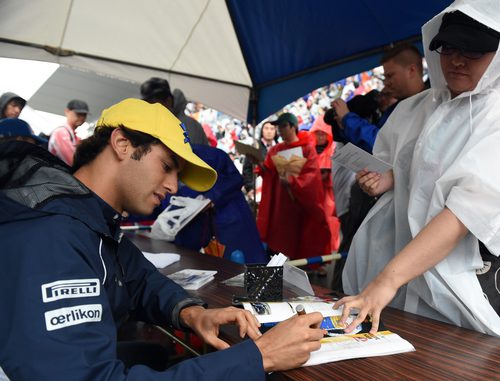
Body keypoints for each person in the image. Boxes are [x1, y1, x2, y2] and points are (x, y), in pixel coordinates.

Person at [0, 98, 324, 380]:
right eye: (167, 166)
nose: (172, 186)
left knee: (152, 356)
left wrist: (193, 313)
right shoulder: (50, 237)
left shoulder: (89, 220)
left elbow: (139, 279)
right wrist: (259, 357)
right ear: (122, 144)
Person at [336, 2, 500, 337]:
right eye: (449, 48)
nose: (457, 60)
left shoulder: (495, 118)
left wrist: (387, 280)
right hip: (392, 273)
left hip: (458, 282)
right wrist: (387, 179)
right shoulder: (414, 109)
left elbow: (463, 214)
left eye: (474, 50)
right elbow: (411, 168)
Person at [257, 112, 332, 260]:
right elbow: (269, 170)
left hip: (299, 203)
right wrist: (260, 165)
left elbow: (312, 177)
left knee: (299, 238)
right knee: (279, 238)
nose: (280, 130)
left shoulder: (307, 149)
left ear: (293, 127)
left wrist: (292, 181)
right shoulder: (275, 149)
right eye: (279, 126)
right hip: (280, 203)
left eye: (283, 126)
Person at [330, 44, 426, 153]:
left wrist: (348, 119)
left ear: (411, 71)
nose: (386, 83)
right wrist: (345, 126)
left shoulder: (432, 104)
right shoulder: (398, 107)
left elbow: (382, 145)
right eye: (385, 77)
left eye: (390, 76)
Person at [141, 77, 209, 146]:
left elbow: (189, 153)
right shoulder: (153, 123)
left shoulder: (188, 125)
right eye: (147, 103)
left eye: (152, 103)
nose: (150, 108)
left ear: (168, 100)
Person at [309, 115, 340, 252]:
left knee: (329, 222)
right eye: (317, 133)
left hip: (328, 196)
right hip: (312, 195)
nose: (320, 136)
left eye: (323, 133)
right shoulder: (309, 150)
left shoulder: (332, 151)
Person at [242, 121, 277, 201]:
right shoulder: (255, 147)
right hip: (259, 189)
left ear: (275, 131)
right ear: (262, 131)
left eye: (272, 129)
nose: (269, 131)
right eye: (266, 128)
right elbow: (247, 169)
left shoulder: (279, 147)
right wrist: (250, 188)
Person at [48, 99, 89, 166]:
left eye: (84, 115)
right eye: (78, 114)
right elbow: (73, 162)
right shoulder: (61, 132)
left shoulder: (74, 136)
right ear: (67, 111)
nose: (81, 117)